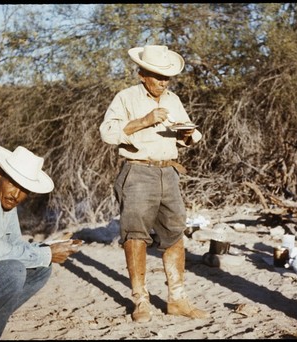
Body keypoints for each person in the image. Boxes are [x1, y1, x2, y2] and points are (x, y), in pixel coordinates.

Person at [99, 44, 209, 322]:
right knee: (135, 234)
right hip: (137, 172)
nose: (163, 82)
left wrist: (187, 136)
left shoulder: (173, 99)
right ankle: (141, 300)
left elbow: (185, 131)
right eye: (157, 76)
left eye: (166, 77)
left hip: (168, 172)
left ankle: (177, 299)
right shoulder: (126, 98)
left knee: (174, 231)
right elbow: (108, 132)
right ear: (141, 74)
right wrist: (144, 121)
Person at [0, 144, 82, 340]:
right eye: (13, 184)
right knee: (13, 270)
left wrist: (48, 248)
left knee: (41, 268)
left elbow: (15, 245)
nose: (16, 195)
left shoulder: (6, 204)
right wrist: (46, 253)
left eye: (24, 189)